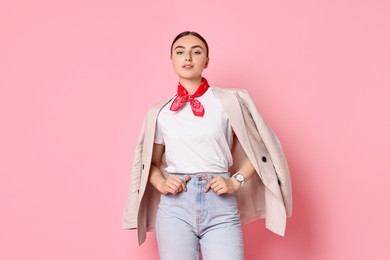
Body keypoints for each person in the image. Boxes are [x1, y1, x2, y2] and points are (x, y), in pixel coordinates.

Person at [122, 31, 292, 260]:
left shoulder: (229, 101)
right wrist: (161, 182)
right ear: (172, 60)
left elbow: (261, 151)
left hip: (220, 205)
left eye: (196, 52)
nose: (188, 57)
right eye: (180, 52)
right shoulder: (160, 113)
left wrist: (236, 181)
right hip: (175, 208)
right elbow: (150, 163)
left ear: (207, 61)